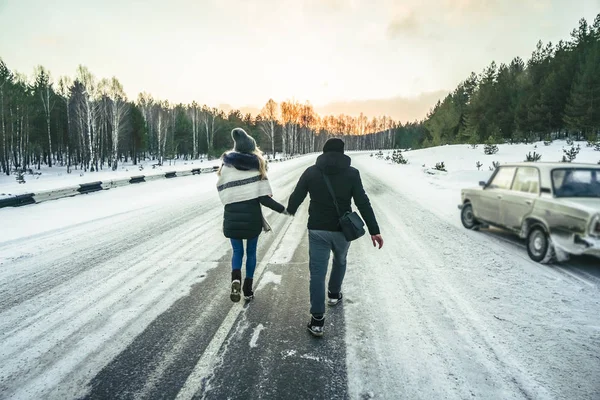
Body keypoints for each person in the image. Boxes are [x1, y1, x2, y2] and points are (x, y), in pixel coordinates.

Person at [286, 138, 383, 337]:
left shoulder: (311, 172)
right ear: (342, 152)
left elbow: (296, 197)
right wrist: (374, 230)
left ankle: (318, 320)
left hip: (317, 231)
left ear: (323, 152)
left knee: (317, 273)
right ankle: (333, 294)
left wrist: (287, 211)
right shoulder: (352, 173)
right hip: (342, 231)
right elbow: (363, 202)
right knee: (340, 261)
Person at [217, 128, 286, 302]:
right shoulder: (257, 167)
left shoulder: (226, 167)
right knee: (252, 253)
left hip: (232, 219)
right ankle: (248, 289)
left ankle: (235, 279)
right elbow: (264, 198)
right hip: (252, 220)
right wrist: (284, 209)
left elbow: (223, 190)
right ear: (251, 148)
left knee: (237, 252)